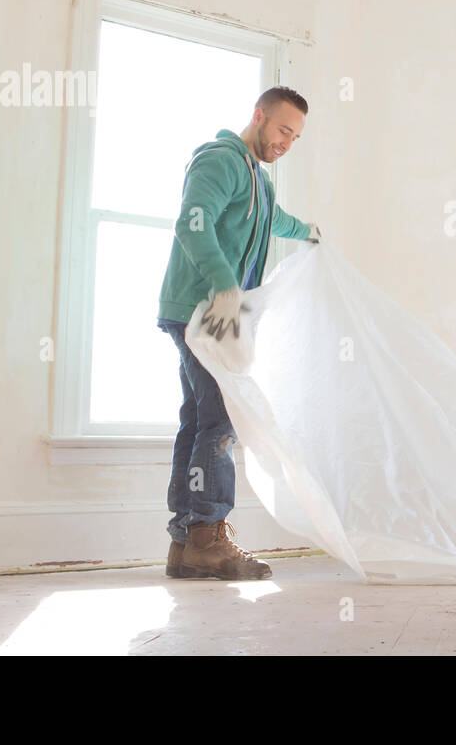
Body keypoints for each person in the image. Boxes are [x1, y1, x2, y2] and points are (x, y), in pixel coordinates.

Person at [155, 86, 320, 580]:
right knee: (221, 419)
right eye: (283, 129)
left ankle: (187, 542)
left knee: (200, 418)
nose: (287, 141)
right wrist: (225, 285)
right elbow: (193, 223)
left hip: (216, 311)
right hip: (201, 309)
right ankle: (207, 533)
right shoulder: (221, 159)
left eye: (296, 136)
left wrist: (309, 232)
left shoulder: (258, 180)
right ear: (259, 116)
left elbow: (273, 222)